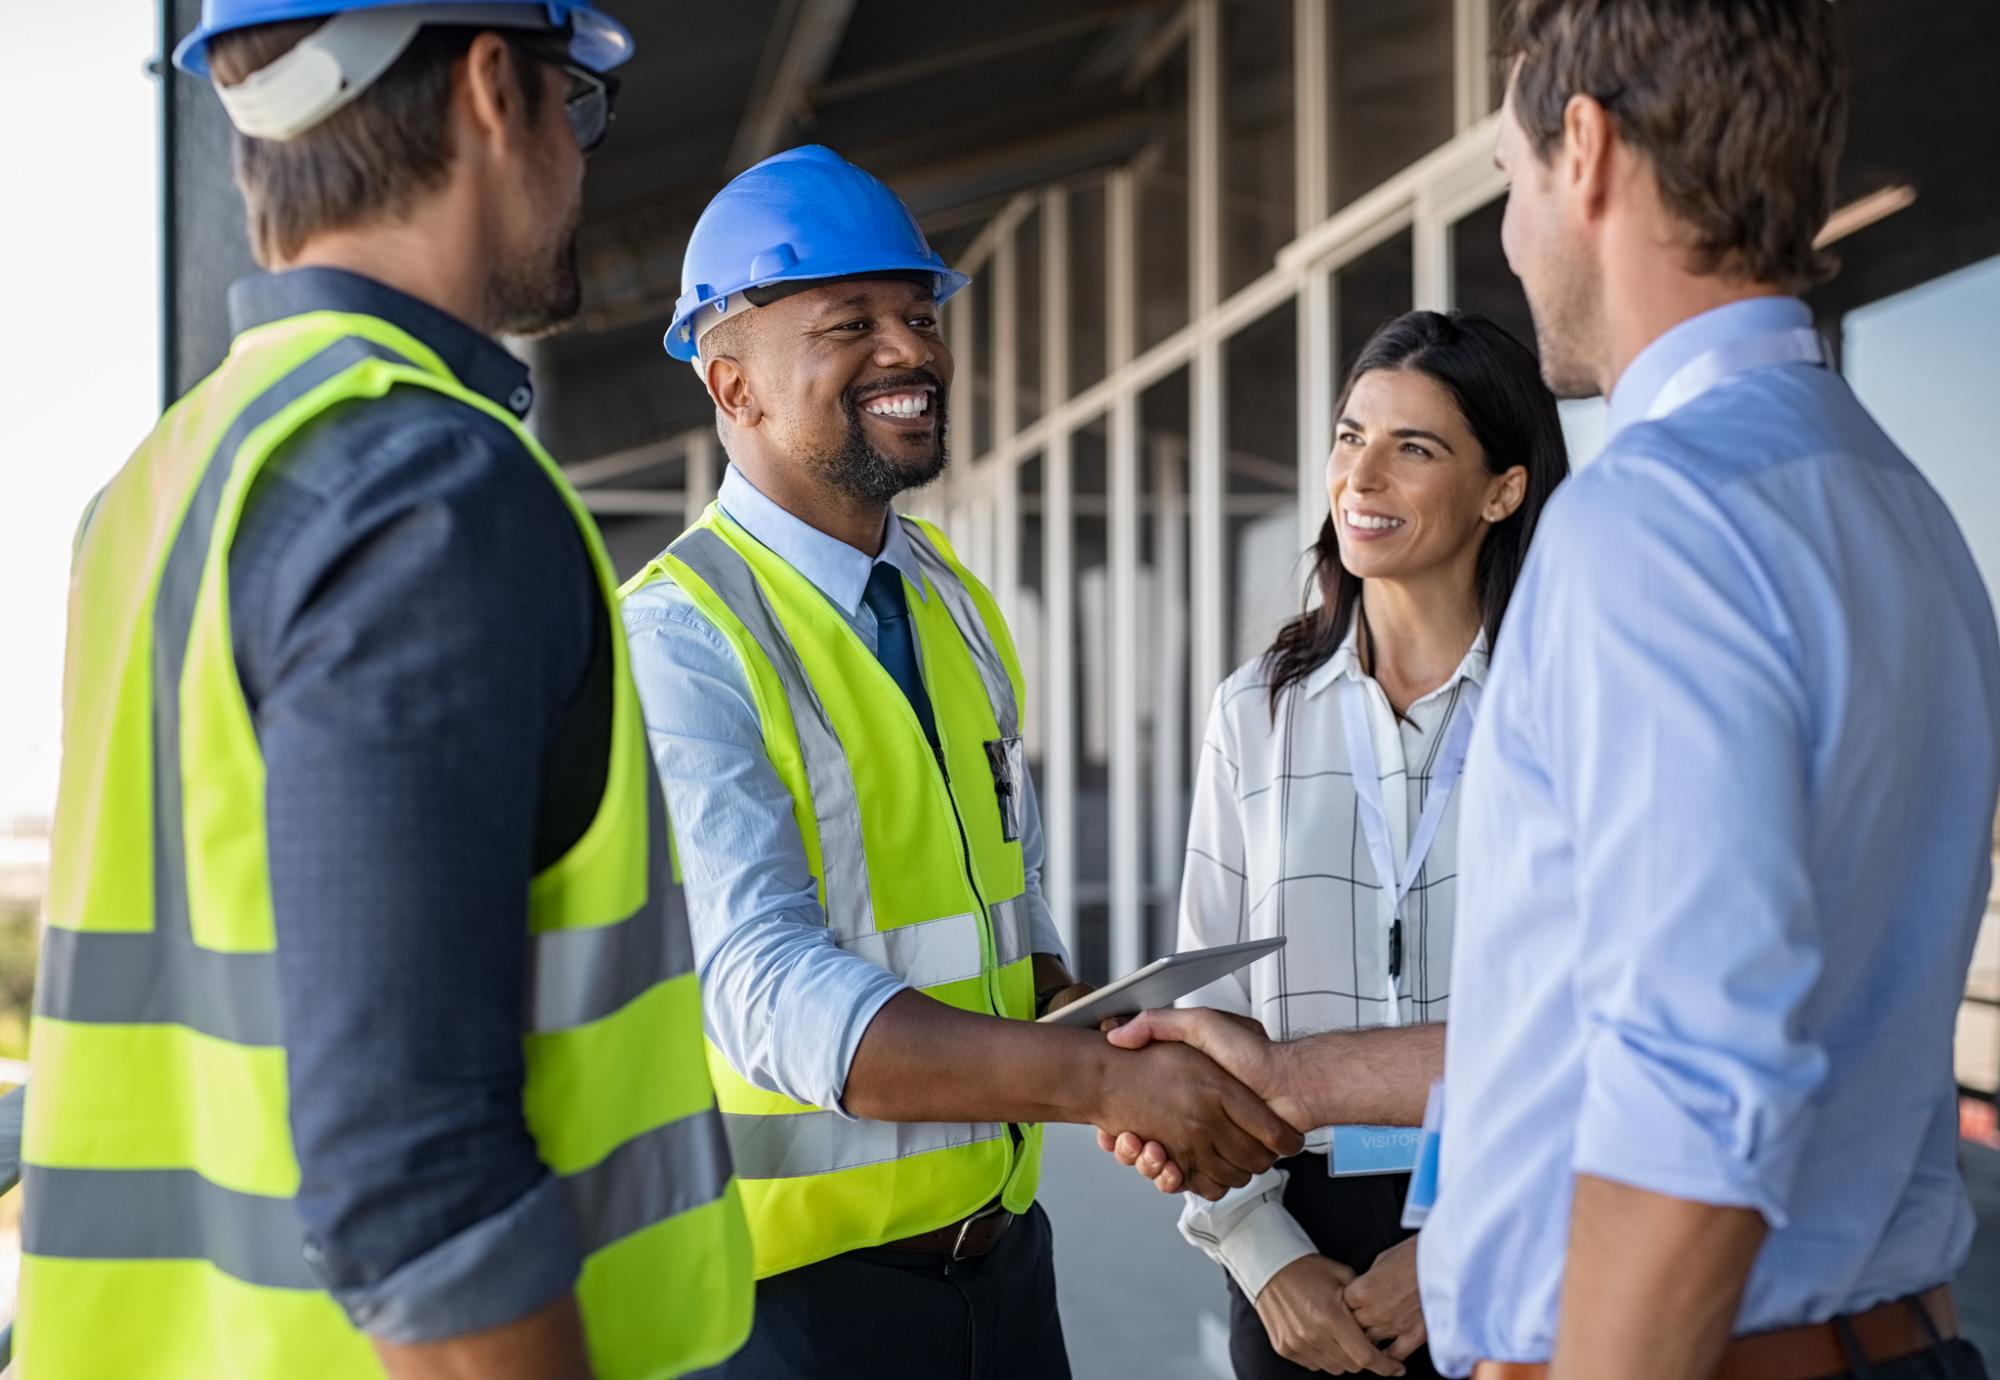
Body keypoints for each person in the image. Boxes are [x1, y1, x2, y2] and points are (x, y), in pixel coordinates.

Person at [1102, 2, 2000, 1377]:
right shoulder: (1898, 507)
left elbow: (1692, 1097)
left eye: (1508, 180)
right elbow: (1596, 1016)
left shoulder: (1654, 521)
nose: (1514, 234)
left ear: (1581, 150)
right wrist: (1297, 1082)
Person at [18, 4, 754, 1377]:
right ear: (491, 87)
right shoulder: (424, 489)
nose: (582, 165)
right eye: (574, 108)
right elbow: (421, 1195)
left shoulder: (162, 482)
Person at [622, 144, 1301, 1380]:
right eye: (849, 323)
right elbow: (765, 991)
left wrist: (1100, 1028)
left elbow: (1006, 903)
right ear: (733, 385)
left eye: (918, 314)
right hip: (789, 1317)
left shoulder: (946, 599)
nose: (910, 350)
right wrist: (1092, 1086)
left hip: (1001, 1275)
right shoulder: (678, 639)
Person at [1171, 310, 1566, 1380]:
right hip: (1296, 1238)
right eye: (1350, 436)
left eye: (1412, 448)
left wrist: (1461, 1247)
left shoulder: (1564, 707)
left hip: (1518, 1227)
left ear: (1502, 490)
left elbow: (1593, 1013)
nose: (1360, 475)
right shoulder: (1254, 708)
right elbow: (1208, 1008)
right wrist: (1262, 1257)